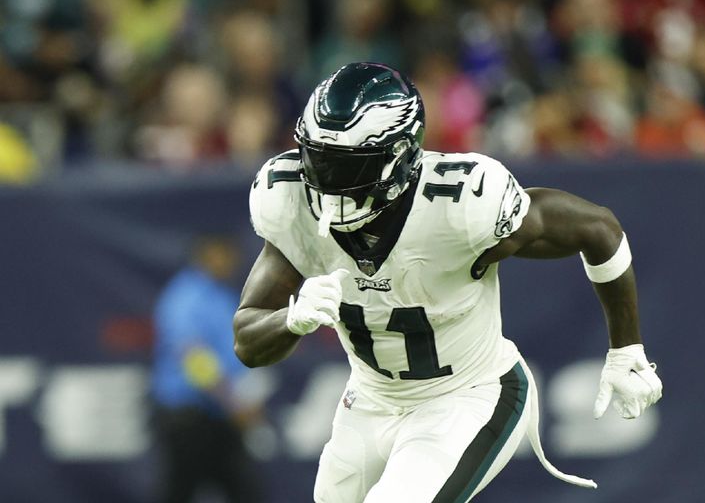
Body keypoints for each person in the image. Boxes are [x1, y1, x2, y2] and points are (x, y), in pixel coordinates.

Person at [234, 62, 663, 502]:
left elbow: (598, 229)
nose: (325, 183)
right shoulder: (291, 205)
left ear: (397, 156)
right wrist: (292, 319)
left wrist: (627, 347)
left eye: (344, 167)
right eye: (316, 159)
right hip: (369, 401)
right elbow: (246, 341)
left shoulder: (461, 207)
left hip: (468, 394)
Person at [152, 236, 265, 503]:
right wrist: (233, 402)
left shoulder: (221, 295)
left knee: (244, 490)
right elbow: (192, 356)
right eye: (225, 254)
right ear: (208, 254)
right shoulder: (185, 296)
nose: (232, 262)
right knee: (180, 491)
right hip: (188, 418)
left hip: (218, 417)